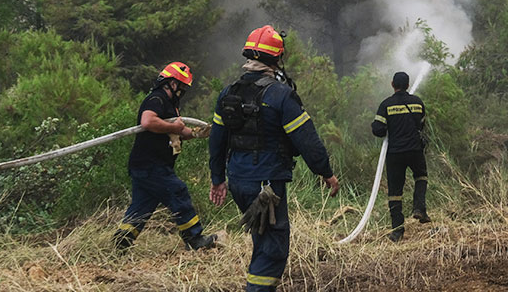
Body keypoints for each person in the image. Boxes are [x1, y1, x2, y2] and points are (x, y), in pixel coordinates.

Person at [208, 25, 339, 292]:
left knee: (262, 238)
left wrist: (217, 178)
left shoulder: (228, 93)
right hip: (266, 185)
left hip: (238, 181)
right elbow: (306, 139)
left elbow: (217, 140)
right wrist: (326, 172)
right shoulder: (280, 95)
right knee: (273, 248)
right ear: (276, 58)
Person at [112, 61, 217, 252]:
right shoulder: (157, 99)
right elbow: (148, 121)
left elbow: (179, 130)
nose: (182, 92)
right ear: (172, 83)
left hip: (147, 166)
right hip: (151, 165)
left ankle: (120, 244)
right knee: (178, 191)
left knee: (141, 208)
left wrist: (196, 133)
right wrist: (175, 127)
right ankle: (194, 239)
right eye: (182, 87)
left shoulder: (169, 105)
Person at [371, 71, 430, 242]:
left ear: (392, 84)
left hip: (395, 153)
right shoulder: (418, 103)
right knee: (421, 176)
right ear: (408, 84)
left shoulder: (386, 105)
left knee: (395, 192)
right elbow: (422, 124)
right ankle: (419, 208)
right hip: (415, 150)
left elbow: (377, 129)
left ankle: (397, 230)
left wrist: (389, 127)